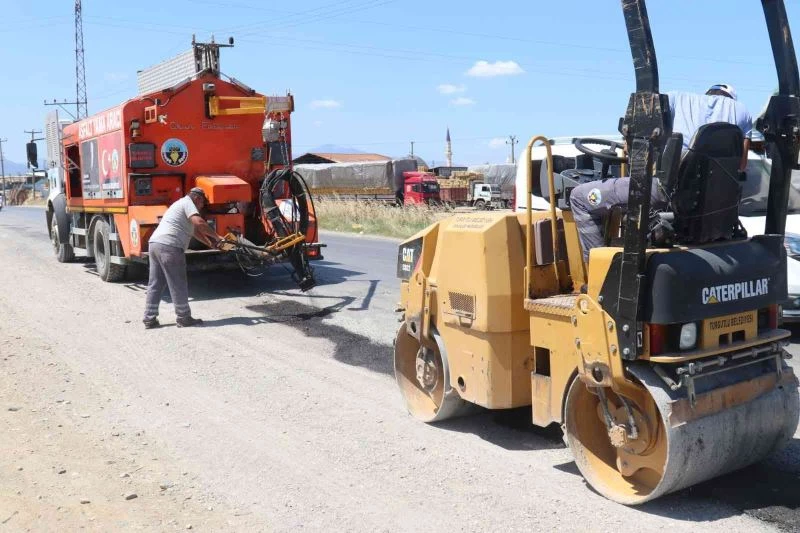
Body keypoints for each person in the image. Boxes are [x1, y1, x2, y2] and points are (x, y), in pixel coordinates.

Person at [570, 83, 753, 261]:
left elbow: (641, 120)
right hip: (707, 201)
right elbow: (742, 164)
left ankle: (597, 273)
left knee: (578, 197)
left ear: (708, 94)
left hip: (668, 190)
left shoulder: (676, 98)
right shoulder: (742, 112)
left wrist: (629, 142)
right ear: (731, 99)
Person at [143, 187, 224, 329]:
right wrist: (217, 236)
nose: (201, 207)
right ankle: (183, 317)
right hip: (170, 246)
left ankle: (149, 318)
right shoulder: (188, 203)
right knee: (177, 282)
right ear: (198, 199)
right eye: (202, 204)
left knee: (156, 282)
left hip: (155, 244)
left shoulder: (179, 205)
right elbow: (199, 223)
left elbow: (194, 231)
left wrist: (211, 244)